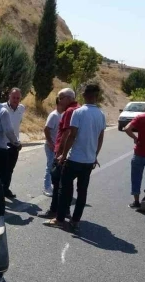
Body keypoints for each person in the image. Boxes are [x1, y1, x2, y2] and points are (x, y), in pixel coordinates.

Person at [44, 84, 105, 230]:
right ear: (96, 96)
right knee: (82, 191)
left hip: (74, 158)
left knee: (64, 189)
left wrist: (63, 155)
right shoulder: (101, 114)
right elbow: (100, 137)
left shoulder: (78, 112)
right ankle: (75, 221)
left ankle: (59, 219)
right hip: (88, 161)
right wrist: (95, 155)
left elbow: (71, 135)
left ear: (84, 95)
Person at [39, 88, 79, 219]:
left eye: (61, 98)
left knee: (57, 183)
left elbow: (66, 134)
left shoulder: (70, 111)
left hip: (63, 153)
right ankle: (65, 211)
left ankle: (55, 211)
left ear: (68, 98)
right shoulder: (78, 109)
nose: (59, 101)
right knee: (67, 183)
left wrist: (60, 154)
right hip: (72, 153)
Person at [2, 88, 26, 198]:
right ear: (9, 96)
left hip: (15, 143)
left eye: (18, 98)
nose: (15, 100)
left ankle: (5, 189)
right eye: (13, 97)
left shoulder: (21, 108)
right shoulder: (2, 108)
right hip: (3, 143)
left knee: (10, 169)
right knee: (2, 169)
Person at [42, 97, 63, 196]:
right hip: (51, 146)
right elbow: (46, 129)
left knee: (57, 166)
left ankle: (54, 186)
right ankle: (46, 188)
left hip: (58, 147)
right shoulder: (54, 115)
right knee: (50, 166)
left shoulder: (63, 114)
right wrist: (50, 143)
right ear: (59, 103)